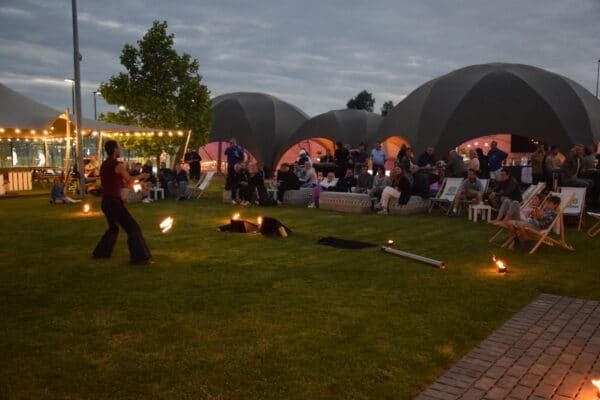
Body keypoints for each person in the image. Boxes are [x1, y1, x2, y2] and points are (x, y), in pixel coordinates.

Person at [92, 140, 152, 265]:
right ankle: (140, 258)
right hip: (114, 203)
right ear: (114, 150)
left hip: (106, 202)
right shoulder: (118, 165)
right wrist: (142, 176)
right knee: (133, 228)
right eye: (119, 148)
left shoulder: (104, 165)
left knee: (113, 228)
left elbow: (125, 184)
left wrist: (140, 185)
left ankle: (101, 253)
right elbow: (129, 179)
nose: (120, 150)